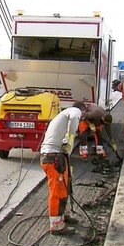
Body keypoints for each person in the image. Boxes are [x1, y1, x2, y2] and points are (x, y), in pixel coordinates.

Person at [40, 101, 87, 235]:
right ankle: (56, 225)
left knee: (65, 187)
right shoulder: (75, 111)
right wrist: (70, 135)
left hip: (55, 156)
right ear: (83, 111)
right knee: (58, 191)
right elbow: (74, 118)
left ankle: (63, 215)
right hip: (53, 158)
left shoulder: (61, 116)